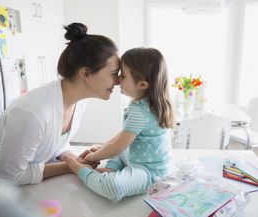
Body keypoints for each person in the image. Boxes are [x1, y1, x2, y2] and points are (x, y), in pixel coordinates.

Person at [0, 23, 120, 185]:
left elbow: (54, 141)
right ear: (85, 73)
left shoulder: (78, 101)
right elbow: (8, 177)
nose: (118, 81)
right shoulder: (32, 113)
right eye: (113, 74)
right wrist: (69, 166)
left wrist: (72, 158)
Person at [64, 47, 175, 201]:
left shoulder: (140, 110)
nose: (117, 81)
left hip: (150, 172)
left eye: (122, 76)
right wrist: (104, 149)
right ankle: (110, 169)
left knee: (113, 186)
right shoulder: (148, 104)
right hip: (136, 157)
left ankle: (80, 169)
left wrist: (93, 157)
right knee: (115, 151)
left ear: (142, 85)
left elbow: (118, 146)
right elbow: (122, 137)